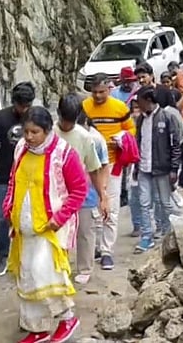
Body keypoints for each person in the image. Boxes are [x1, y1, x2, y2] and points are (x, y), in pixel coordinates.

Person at [4, 106, 88, 343]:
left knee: (45, 273)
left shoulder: (64, 153)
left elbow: (79, 190)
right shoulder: (21, 148)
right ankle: (37, 329)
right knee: (27, 275)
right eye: (26, 132)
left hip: (51, 229)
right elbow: (13, 179)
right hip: (24, 227)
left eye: (35, 132)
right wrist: (8, 209)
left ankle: (67, 318)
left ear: (48, 130)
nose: (29, 137)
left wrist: (59, 218)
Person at [82, 74, 136, 271]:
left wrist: (121, 138)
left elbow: (131, 129)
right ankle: (95, 246)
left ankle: (106, 251)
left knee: (110, 208)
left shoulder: (120, 108)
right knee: (92, 208)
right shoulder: (84, 107)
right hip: (89, 165)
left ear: (110, 89)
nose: (97, 96)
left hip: (113, 164)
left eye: (101, 92)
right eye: (94, 92)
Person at [0, 82, 35, 277]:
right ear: (14, 103)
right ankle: (2, 256)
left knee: (28, 217)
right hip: (4, 176)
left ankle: (26, 257)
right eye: (21, 106)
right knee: (2, 218)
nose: (25, 110)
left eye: (27, 105)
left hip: (31, 177)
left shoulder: (37, 116)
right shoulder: (0, 118)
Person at [55, 94, 108, 286]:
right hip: (57, 193)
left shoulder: (85, 138)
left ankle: (85, 268)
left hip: (83, 192)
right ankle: (60, 266)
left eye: (71, 122)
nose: (67, 126)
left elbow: (94, 169)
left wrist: (103, 196)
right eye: (64, 121)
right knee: (58, 231)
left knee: (85, 231)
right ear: (58, 114)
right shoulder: (49, 133)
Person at [133, 88, 182, 252]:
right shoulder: (141, 120)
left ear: (148, 100)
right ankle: (147, 236)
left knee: (165, 203)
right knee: (144, 203)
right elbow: (138, 142)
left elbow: (176, 144)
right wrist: (136, 166)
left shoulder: (167, 117)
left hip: (163, 168)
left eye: (139, 101)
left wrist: (174, 168)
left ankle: (168, 234)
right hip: (144, 167)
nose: (137, 105)